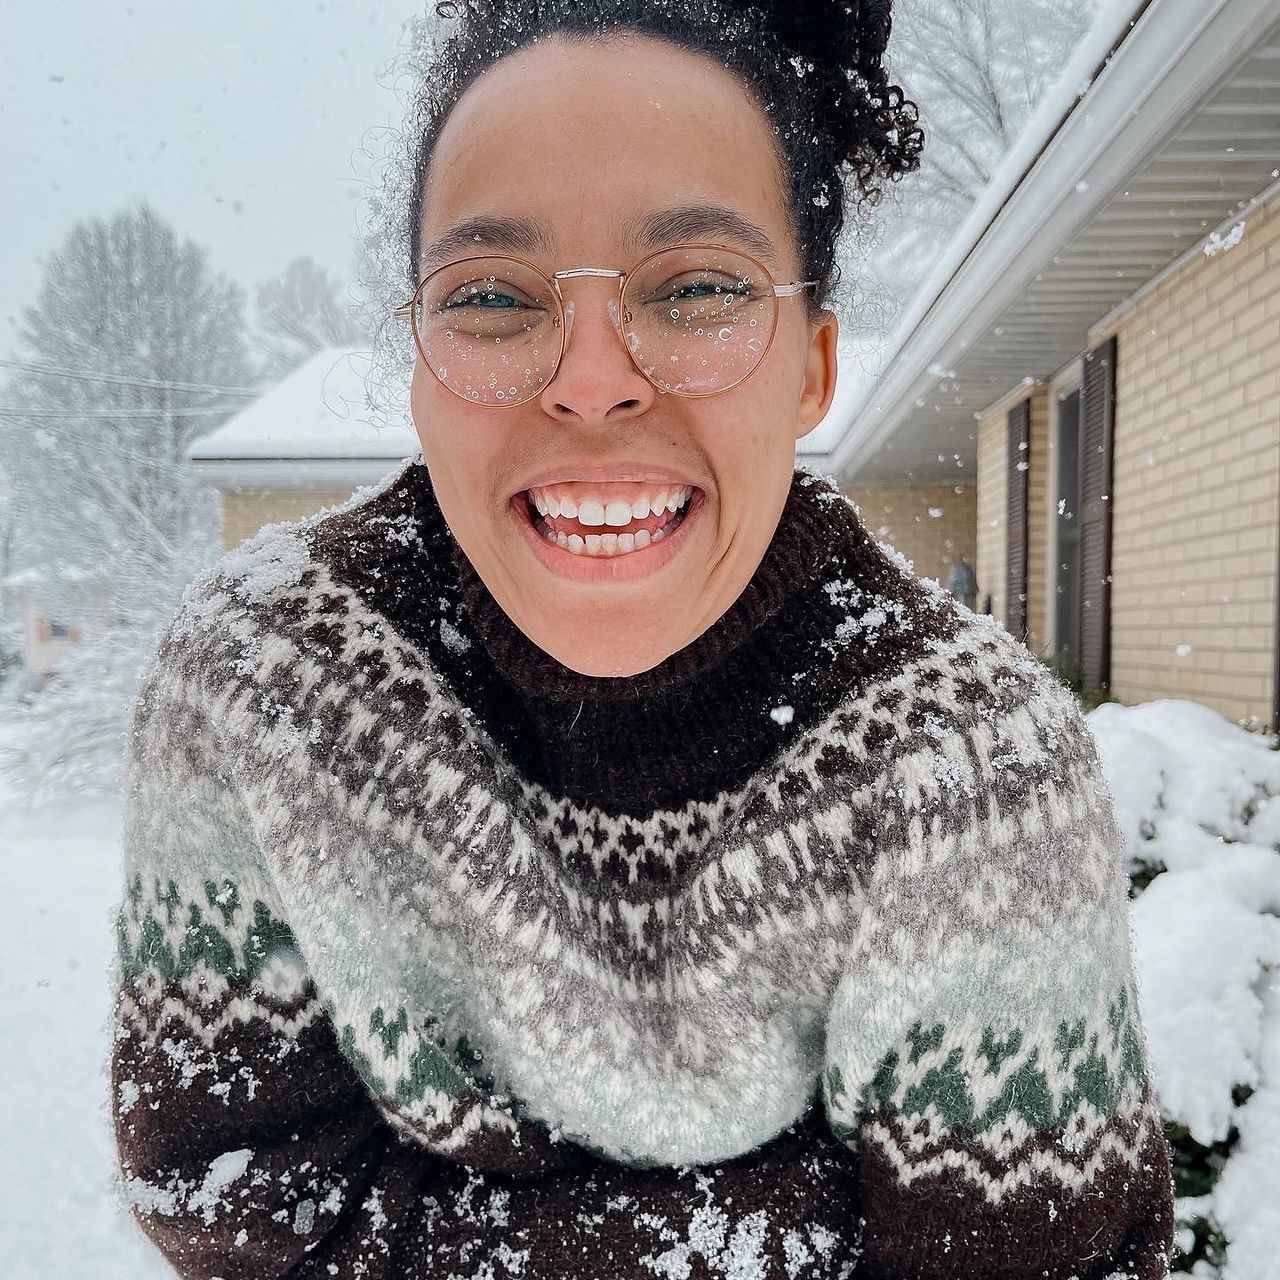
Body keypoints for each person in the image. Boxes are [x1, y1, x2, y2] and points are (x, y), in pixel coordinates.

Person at [109, 2, 1177, 1276]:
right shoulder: (263, 681)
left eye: (700, 287)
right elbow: (236, 1206)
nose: (592, 375)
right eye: (494, 295)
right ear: (417, 360)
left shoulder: (966, 760)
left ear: (811, 365)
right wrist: (810, 1220)